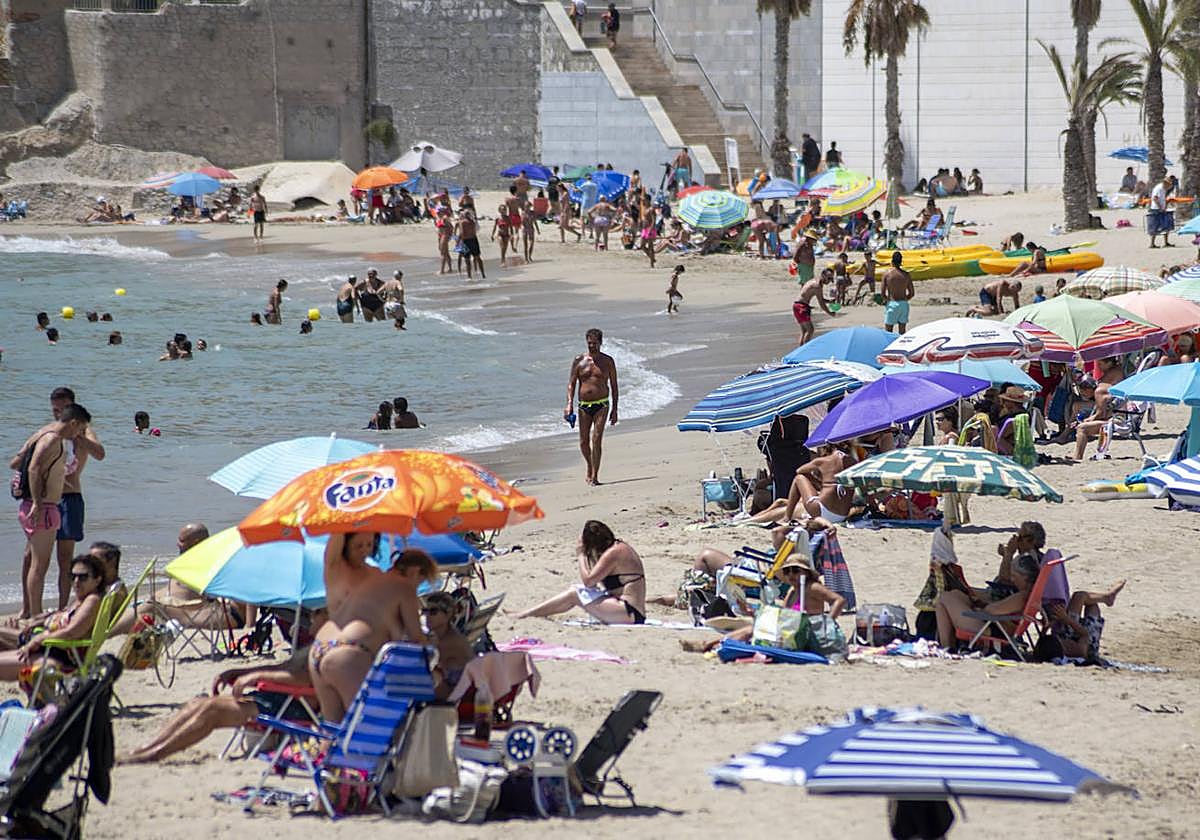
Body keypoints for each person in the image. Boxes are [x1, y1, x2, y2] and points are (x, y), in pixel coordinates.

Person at [119, 636, 318, 764]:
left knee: (213, 709)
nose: (312, 618)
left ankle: (155, 754)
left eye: (317, 613)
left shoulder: (325, 646)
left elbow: (303, 679)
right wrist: (241, 671)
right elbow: (283, 668)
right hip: (277, 698)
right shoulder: (316, 642)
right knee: (197, 703)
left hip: (293, 707)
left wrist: (256, 678)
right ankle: (149, 746)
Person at [311, 539, 434, 723]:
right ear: (415, 571)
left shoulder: (373, 580)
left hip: (320, 648)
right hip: (348, 654)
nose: (416, 588)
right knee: (367, 728)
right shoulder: (404, 586)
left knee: (334, 735)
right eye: (420, 582)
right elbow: (417, 640)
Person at [10, 404, 92, 619]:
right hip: (43, 508)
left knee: (35, 562)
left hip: (34, 506)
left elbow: (16, 462)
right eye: (79, 429)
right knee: (39, 565)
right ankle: (35, 614)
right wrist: (37, 501)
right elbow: (33, 467)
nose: (78, 434)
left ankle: (31, 611)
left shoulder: (41, 433)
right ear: (73, 423)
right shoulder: (53, 439)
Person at [33, 388, 106, 611]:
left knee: (65, 558)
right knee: (34, 557)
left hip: (70, 498)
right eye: (54, 410)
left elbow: (100, 453)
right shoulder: (51, 432)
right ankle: (31, 608)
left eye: (62, 409)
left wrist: (78, 436)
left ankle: (62, 607)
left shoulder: (83, 429)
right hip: (47, 499)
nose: (57, 414)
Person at [516, 520, 646, 624]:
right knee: (576, 590)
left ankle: (526, 615)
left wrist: (581, 555)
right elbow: (593, 583)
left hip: (629, 612)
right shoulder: (618, 547)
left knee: (575, 594)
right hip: (627, 610)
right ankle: (529, 614)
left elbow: (589, 581)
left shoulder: (613, 553)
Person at [0, 555, 105, 682]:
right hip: (47, 647)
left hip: (55, 655)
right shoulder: (81, 600)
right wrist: (41, 621)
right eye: (73, 577)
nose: (76, 582)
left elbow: (71, 632)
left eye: (82, 577)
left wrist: (38, 639)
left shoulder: (92, 600)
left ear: (97, 580)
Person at [934, 553, 1039, 651]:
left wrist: (979, 607)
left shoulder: (1021, 597)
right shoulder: (1027, 595)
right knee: (955, 594)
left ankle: (947, 647)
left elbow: (992, 610)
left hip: (990, 629)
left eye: (1014, 576)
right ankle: (947, 647)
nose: (1012, 579)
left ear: (1025, 577)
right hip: (993, 625)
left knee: (944, 598)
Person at [565, 328, 619, 485]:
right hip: (583, 406)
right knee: (583, 441)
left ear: (601, 343)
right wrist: (569, 405)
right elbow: (571, 384)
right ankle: (589, 465)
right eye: (589, 343)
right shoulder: (579, 361)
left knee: (596, 438)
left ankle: (595, 475)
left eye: (595, 343)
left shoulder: (607, 361)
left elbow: (614, 386)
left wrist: (615, 410)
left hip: (601, 404)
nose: (592, 346)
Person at [1048, 581, 1124, 661]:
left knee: (1081, 597)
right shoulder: (1076, 650)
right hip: (1088, 645)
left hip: (1065, 635)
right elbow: (1085, 635)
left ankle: (1107, 598)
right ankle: (1107, 598)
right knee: (1089, 603)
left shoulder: (1055, 644)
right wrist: (1067, 619)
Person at [785, 444, 855, 524]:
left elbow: (799, 471)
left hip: (822, 512)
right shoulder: (853, 462)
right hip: (841, 516)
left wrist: (818, 482)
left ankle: (787, 517)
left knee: (799, 478)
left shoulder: (823, 461)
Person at [422, 592, 474, 699]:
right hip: (456, 688)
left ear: (447, 615)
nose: (427, 616)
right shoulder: (443, 635)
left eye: (433, 612)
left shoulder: (450, 641)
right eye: (425, 611)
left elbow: (425, 662)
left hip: (459, 694)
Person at [792, 268, 837, 345]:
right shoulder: (817, 286)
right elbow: (821, 303)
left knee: (804, 331)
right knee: (810, 330)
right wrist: (830, 313)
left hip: (797, 305)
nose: (829, 281)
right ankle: (805, 351)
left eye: (831, 279)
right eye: (828, 278)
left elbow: (820, 299)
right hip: (801, 307)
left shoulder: (814, 281)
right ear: (823, 275)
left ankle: (800, 352)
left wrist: (829, 301)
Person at [881, 251, 914, 334]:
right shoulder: (906, 274)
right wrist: (905, 299)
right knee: (902, 332)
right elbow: (912, 293)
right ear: (901, 262)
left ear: (892, 261)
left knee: (888, 331)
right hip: (903, 303)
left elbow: (883, 293)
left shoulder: (887, 274)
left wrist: (886, 301)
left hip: (892, 302)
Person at [457, 209, 486, 279]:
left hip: (466, 241)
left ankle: (469, 276)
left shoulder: (462, 222)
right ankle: (483, 274)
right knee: (477, 257)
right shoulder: (472, 222)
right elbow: (474, 232)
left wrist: (458, 241)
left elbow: (462, 233)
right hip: (473, 240)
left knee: (467, 259)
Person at [1149, 176, 1174, 248]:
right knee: (1155, 226)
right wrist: (1160, 208)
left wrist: (1165, 206)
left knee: (1166, 225)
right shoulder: (1158, 188)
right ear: (1165, 183)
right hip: (1156, 209)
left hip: (1162, 209)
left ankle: (1166, 242)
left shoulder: (1164, 189)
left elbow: (1163, 199)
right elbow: (1155, 198)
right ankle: (1152, 243)